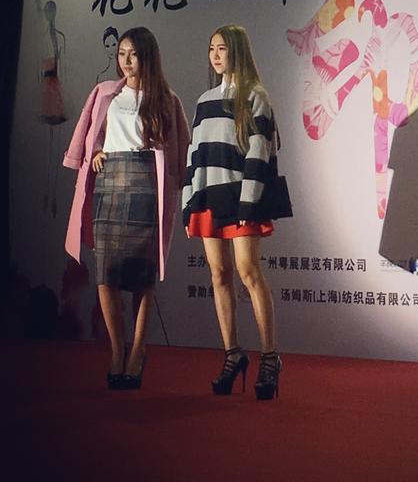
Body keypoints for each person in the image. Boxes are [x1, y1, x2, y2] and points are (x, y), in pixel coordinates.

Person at [63, 26, 190, 390]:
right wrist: (95, 152)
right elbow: (93, 133)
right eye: (122, 54)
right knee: (107, 274)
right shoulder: (105, 92)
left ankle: (137, 350)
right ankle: (116, 350)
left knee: (143, 278)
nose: (126, 61)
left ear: (148, 56)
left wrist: (178, 181)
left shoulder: (166, 98)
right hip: (110, 182)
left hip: (146, 184)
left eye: (133, 54)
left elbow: (180, 149)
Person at [183, 24, 292, 400]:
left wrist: (248, 202)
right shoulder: (204, 101)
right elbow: (195, 155)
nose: (215, 55)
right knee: (218, 275)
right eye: (212, 48)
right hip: (210, 198)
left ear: (237, 52)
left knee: (248, 272)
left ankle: (270, 357)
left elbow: (260, 153)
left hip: (242, 197)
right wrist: (189, 201)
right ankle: (232, 354)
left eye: (223, 48)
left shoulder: (255, 97)